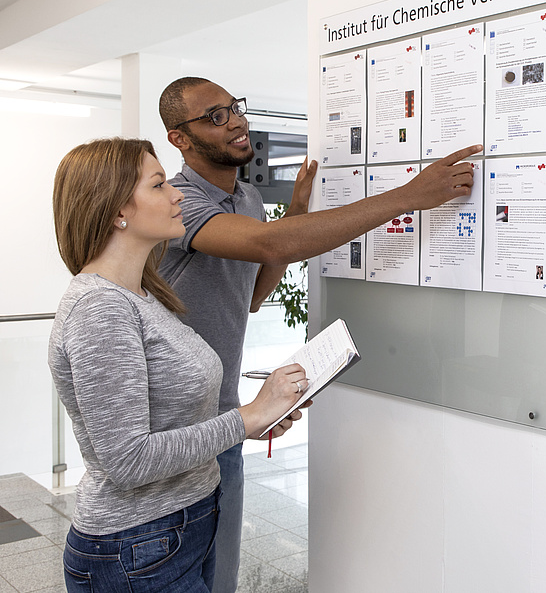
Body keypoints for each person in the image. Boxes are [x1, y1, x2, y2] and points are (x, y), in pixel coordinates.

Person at [158, 75, 482, 593]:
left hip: (224, 418)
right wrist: (406, 197)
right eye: (215, 116)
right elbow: (266, 244)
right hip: (172, 431)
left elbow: (253, 295)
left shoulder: (247, 198)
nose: (237, 121)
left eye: (235, 107)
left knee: (220, 577)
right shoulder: (176, 204)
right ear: (180, 137)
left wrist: (296, 220)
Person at [48, 137, 310, 593]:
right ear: (116, 212)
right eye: (159, 184)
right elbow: (128, 460)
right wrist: (246, 419)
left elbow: (170, 418)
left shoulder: (143, 295)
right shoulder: (100, 310)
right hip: (136, 546)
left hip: (180, 526)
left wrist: (253, 420)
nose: (178, 195)